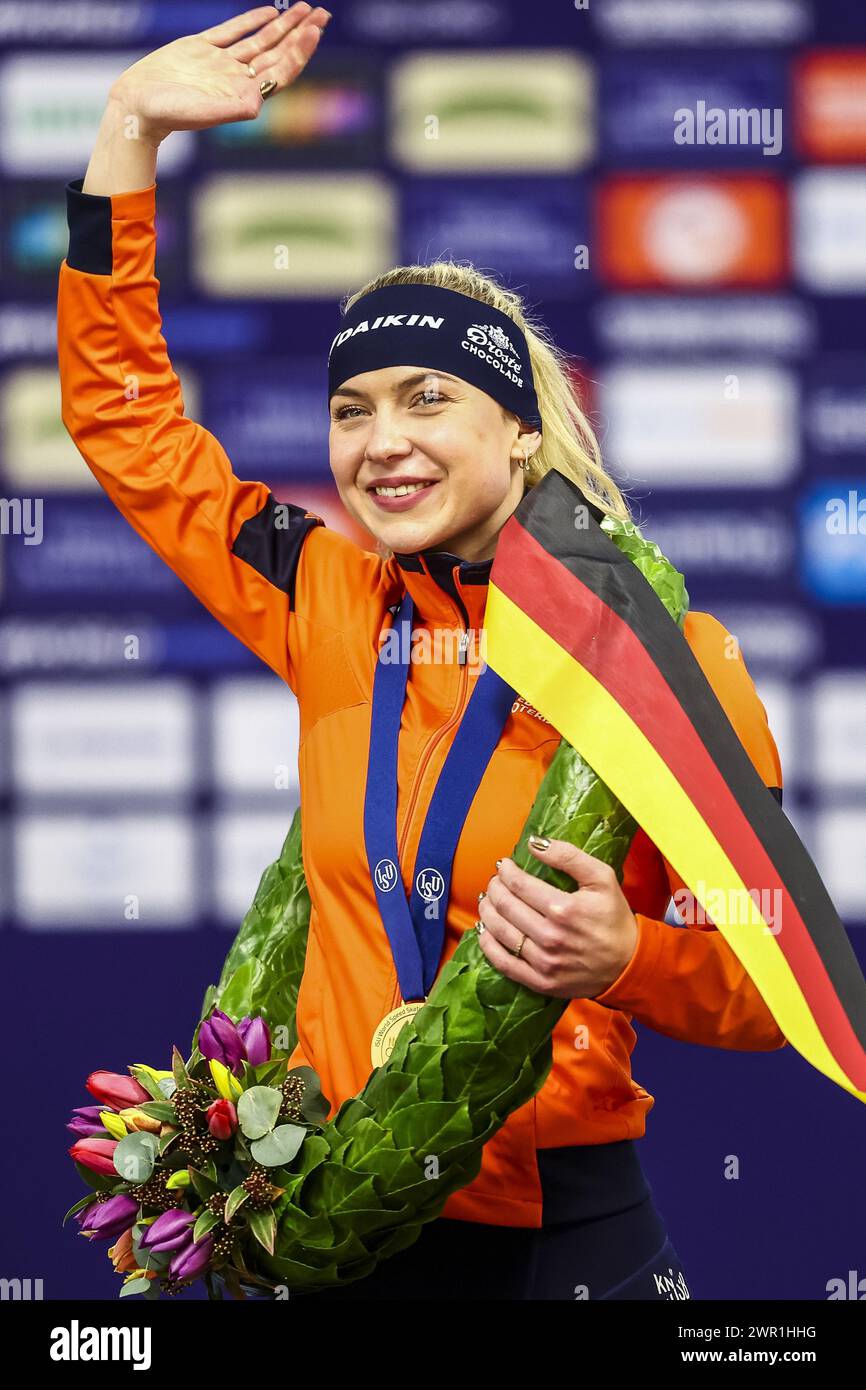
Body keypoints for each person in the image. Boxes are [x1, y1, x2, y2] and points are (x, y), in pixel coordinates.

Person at [58, 4, 787, 1301]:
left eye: (425, 398)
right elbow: (127, 424)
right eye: (350, 409)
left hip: (566, 1233)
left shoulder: (665, 659)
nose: (378, 440)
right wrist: (127, 136)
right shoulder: (324, 593)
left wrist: (626, 957)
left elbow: (766, 968)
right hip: (337, 1217)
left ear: (518, 433)